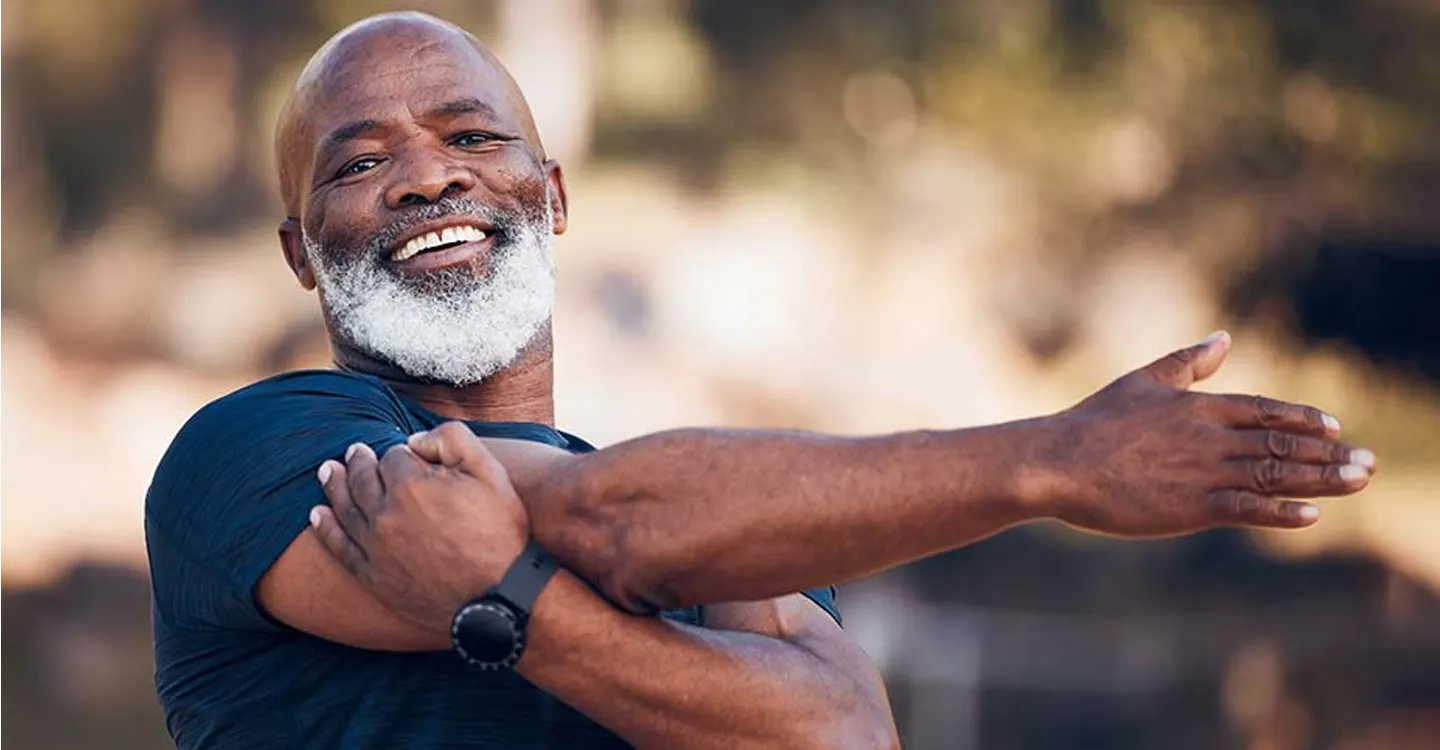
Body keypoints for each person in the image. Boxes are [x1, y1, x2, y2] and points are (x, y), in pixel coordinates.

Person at [144, 11, 1376, 750]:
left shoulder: (745, 510)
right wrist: (1050, 459)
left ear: (554, 196)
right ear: (303, 252)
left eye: (472, 137)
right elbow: (618, 524)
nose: (429, 179)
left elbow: (836, 734)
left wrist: (506, 599)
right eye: (362, 163)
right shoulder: (255, 449)